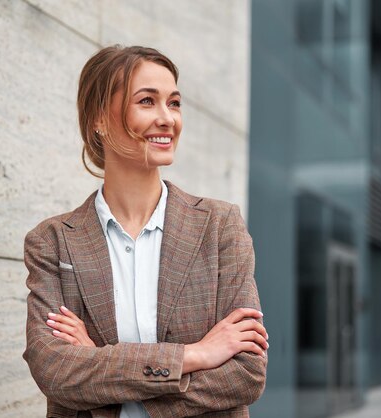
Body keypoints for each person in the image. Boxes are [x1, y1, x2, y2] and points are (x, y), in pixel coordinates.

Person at [23, 45, 268, 418]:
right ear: (99, 119)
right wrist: (195, 355)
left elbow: (245, 375)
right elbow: (55, 372)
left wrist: (99, 365)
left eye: (174, 102)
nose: (167, 118)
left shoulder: (220, 227)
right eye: (147, 101)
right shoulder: (53, 242)